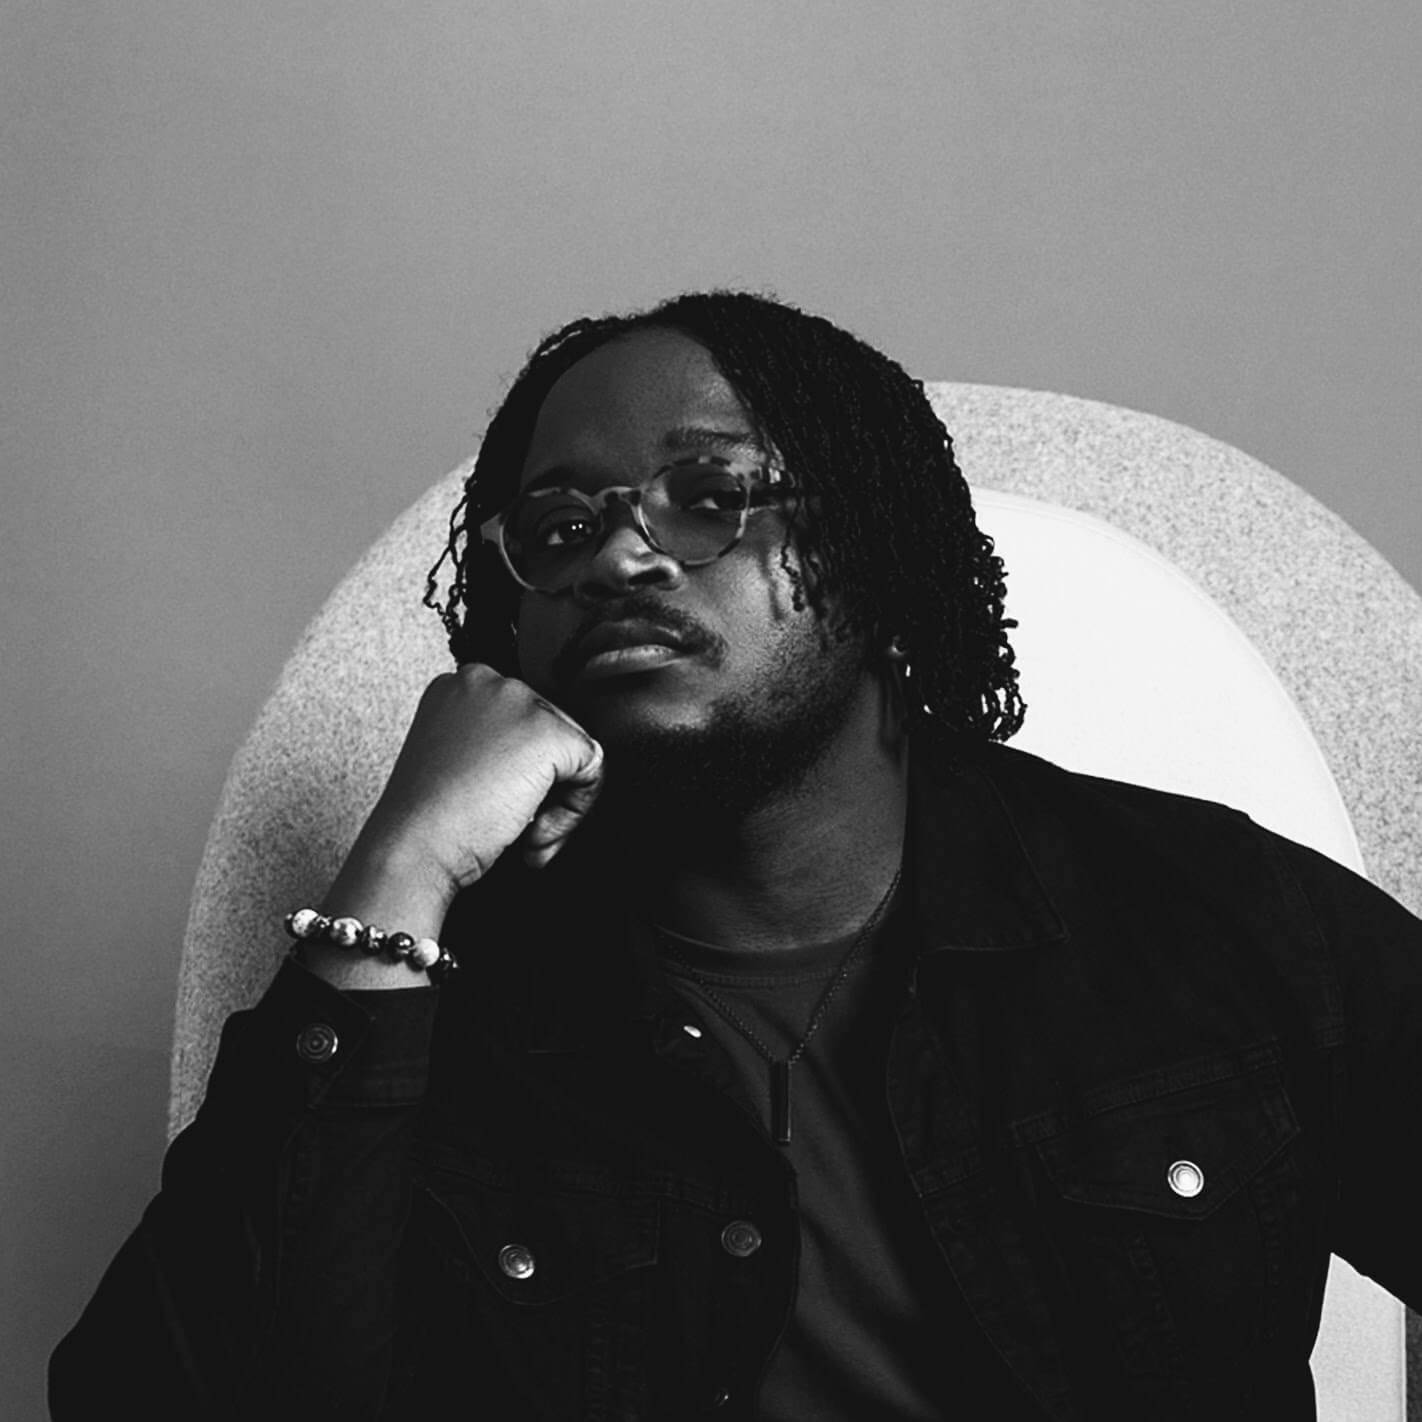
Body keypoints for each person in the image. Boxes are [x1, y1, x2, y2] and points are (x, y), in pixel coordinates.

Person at [51, 291, 1422, 1420]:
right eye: (561, 528)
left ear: (873, 547)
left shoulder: (1212, 919)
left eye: (709, 495)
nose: (620, 559)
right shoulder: (438, 996)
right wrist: (400, 864)